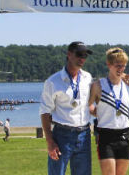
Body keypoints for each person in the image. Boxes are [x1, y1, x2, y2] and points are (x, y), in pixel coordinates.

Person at [39, 41, 93, 175]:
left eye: (85, 56)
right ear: (69, 54)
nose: (82, 59)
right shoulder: (53, 81)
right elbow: (45, 112)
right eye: (79, 54)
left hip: (84, 134)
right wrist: (50, 141)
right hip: (62, 135)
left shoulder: (88, 78)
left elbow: (90, 105)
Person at [88, 47, 129, 175]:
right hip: (106, 136)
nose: (121, 69)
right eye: (118, 65)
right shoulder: (98, 85)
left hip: (126, 135)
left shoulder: (128, 85)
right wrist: (97, 113)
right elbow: (87, 105)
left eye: (123, 66)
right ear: (109, 64)